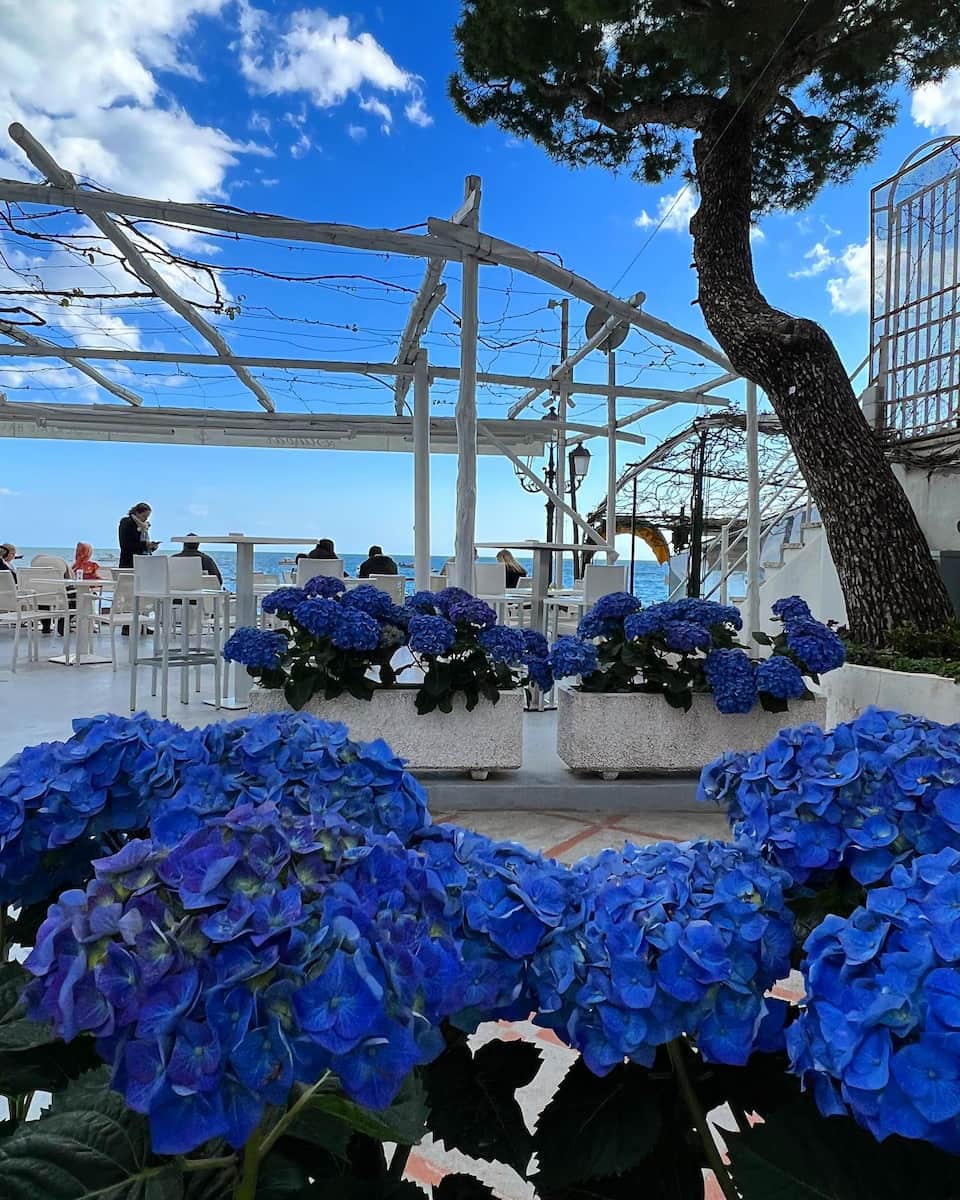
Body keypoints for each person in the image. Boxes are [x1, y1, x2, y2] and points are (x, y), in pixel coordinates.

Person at [119, 502, 158, 568]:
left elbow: (143, 546)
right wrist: (146, 544)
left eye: (147, 517)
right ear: (137, 513)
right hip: (129, 562)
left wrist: (152, 547)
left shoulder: (143, 526)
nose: (146, 519)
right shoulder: (127, 522)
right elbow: (126, 545)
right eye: (144, 516)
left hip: (143, 561)